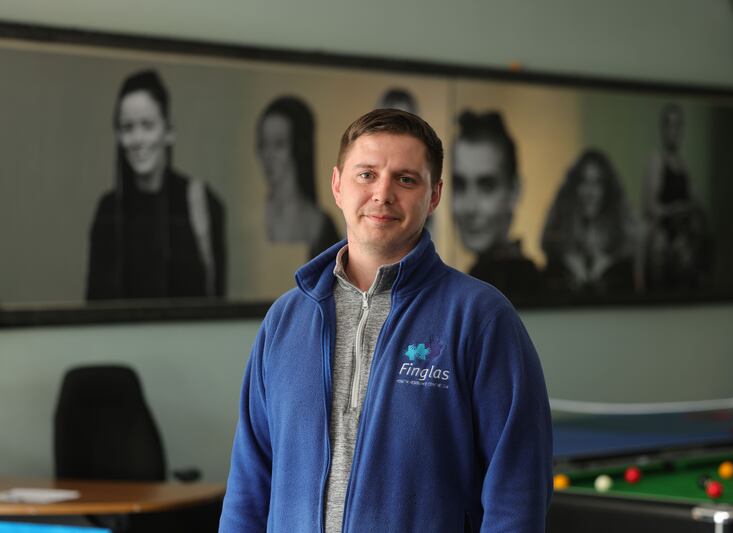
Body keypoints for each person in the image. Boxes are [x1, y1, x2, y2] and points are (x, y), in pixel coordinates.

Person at [220, 109, 552, 532]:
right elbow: (249, 485)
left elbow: (518, 488)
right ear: (338, 184)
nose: (383, 194)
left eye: (406, 179)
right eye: (366, 175)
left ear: (434, 196)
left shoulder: (480, 318)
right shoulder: (285, 320)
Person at [86, 69, 226, 300]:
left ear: (168, 131)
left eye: (147, 125)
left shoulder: (202, 202)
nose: (138, 139)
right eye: (127, 128)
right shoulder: (109, 210)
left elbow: (216, 301)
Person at [451, 110, 541, 301]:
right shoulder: (472, 280)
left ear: (514, 191)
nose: (470, 207)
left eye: (487, 186)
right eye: (459, 185)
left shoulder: (524, 285)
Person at [541, 149, 637, 293]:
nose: (590, 192)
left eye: (597, 183)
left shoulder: (622, 256)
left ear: (607, 191)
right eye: (584, 182)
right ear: (574, 188)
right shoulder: (558, 254)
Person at [256, 96, 340, 260]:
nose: (268, 156)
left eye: (279, 144)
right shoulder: (256, 214)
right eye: (263, 144)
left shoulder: (318, 224)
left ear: (298, 148)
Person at [642, 103, 712, 289]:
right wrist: (679, 209)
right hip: (664, 236)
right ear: (663, 129)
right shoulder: (657, 160)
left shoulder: (683, 166)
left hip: (684, 237)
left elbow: (697, 202)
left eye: (678, 125)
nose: (674, 131)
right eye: (670, 125)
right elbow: (651, 208)